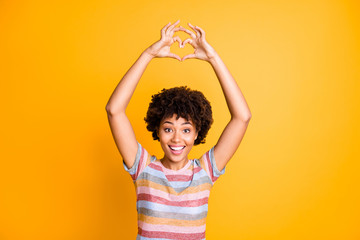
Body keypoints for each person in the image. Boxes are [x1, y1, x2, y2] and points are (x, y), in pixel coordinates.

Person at [105, 20, 252, 240]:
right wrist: (148, 54)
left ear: (196, 133)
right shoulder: (143, 168)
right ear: (158, 130)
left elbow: (242, 117)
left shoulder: (205, 172)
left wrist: (213, 58)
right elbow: (114, 110)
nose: (176, 138)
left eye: (185, 130)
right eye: (168, 128)